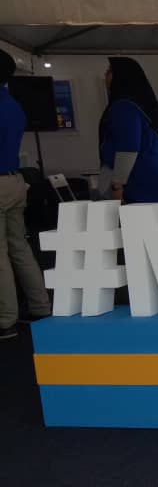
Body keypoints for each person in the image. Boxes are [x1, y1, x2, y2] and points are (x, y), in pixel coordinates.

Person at [0, 49, 50, 339]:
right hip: (14, 181)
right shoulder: (13, 105)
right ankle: (40, 306)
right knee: (19, 247)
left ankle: (6, 320)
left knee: (1, 254)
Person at [98, 57, 158, 203]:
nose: (105, 75)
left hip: (136, 186)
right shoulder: (150, 105)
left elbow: (128, 148)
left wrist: (117, 186)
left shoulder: (124, 106)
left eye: (109, 71)